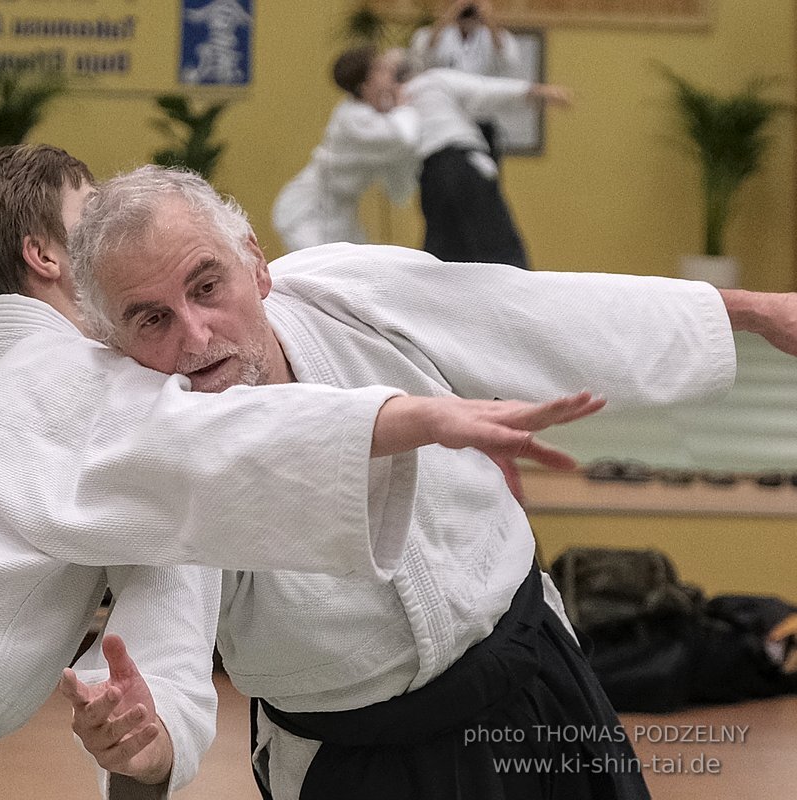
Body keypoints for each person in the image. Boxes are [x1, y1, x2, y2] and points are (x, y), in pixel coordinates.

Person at [0, 145, 595, 799]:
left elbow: (170, 539)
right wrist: (414, 415)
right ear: (48, 258)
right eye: (91, 219)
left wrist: (150, 749)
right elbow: (221, 445)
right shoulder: (72, 381)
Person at [65, 165, 797, 799]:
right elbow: (158, 633)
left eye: (207, 285)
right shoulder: (159, 455)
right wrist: (146, 743)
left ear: (255, 263)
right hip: (364, 761)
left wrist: (751, 311)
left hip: (537, 679)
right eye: (152, 319)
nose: (196, 337)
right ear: (111, 342)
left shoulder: (347, 293)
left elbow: (536, 313)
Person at [394, 46, 570, 269]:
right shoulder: (433, 81)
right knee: (501, 256)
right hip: (464, 166)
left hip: (433, 178)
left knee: (443, 264)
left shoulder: (392, 107)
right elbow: (485, 90)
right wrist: (535, 90)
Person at [271, 46, 420, 252]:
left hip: (341, 217)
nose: (390, 74)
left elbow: (399, 190)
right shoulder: (353, 117)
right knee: (321, 275)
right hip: (306, 214)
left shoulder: (374, 117)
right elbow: (405, 138)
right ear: (366, 85)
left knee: (355, 272)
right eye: (381, 69)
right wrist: (403, 105)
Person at [410, 0, 524, 161]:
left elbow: (506, 59)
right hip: (443, 124)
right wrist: (450, 15)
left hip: (481, 121)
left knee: (484, 178)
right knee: (442, 176)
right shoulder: (435, 35)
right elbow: (423, 56)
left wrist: (488, 18)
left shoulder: (493, 37)